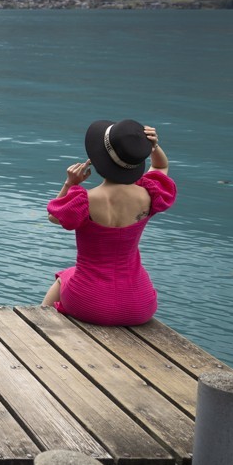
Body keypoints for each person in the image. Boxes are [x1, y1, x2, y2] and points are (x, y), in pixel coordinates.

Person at [42, 120, 175, 325]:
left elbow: (54, 216)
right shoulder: (150, 193)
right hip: (139, 305)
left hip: (88, 301)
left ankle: (38, 319)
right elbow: (160, 166)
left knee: (65, 276)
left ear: (97, 160)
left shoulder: (85, 200)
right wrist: (153, 146)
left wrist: (70, 183)